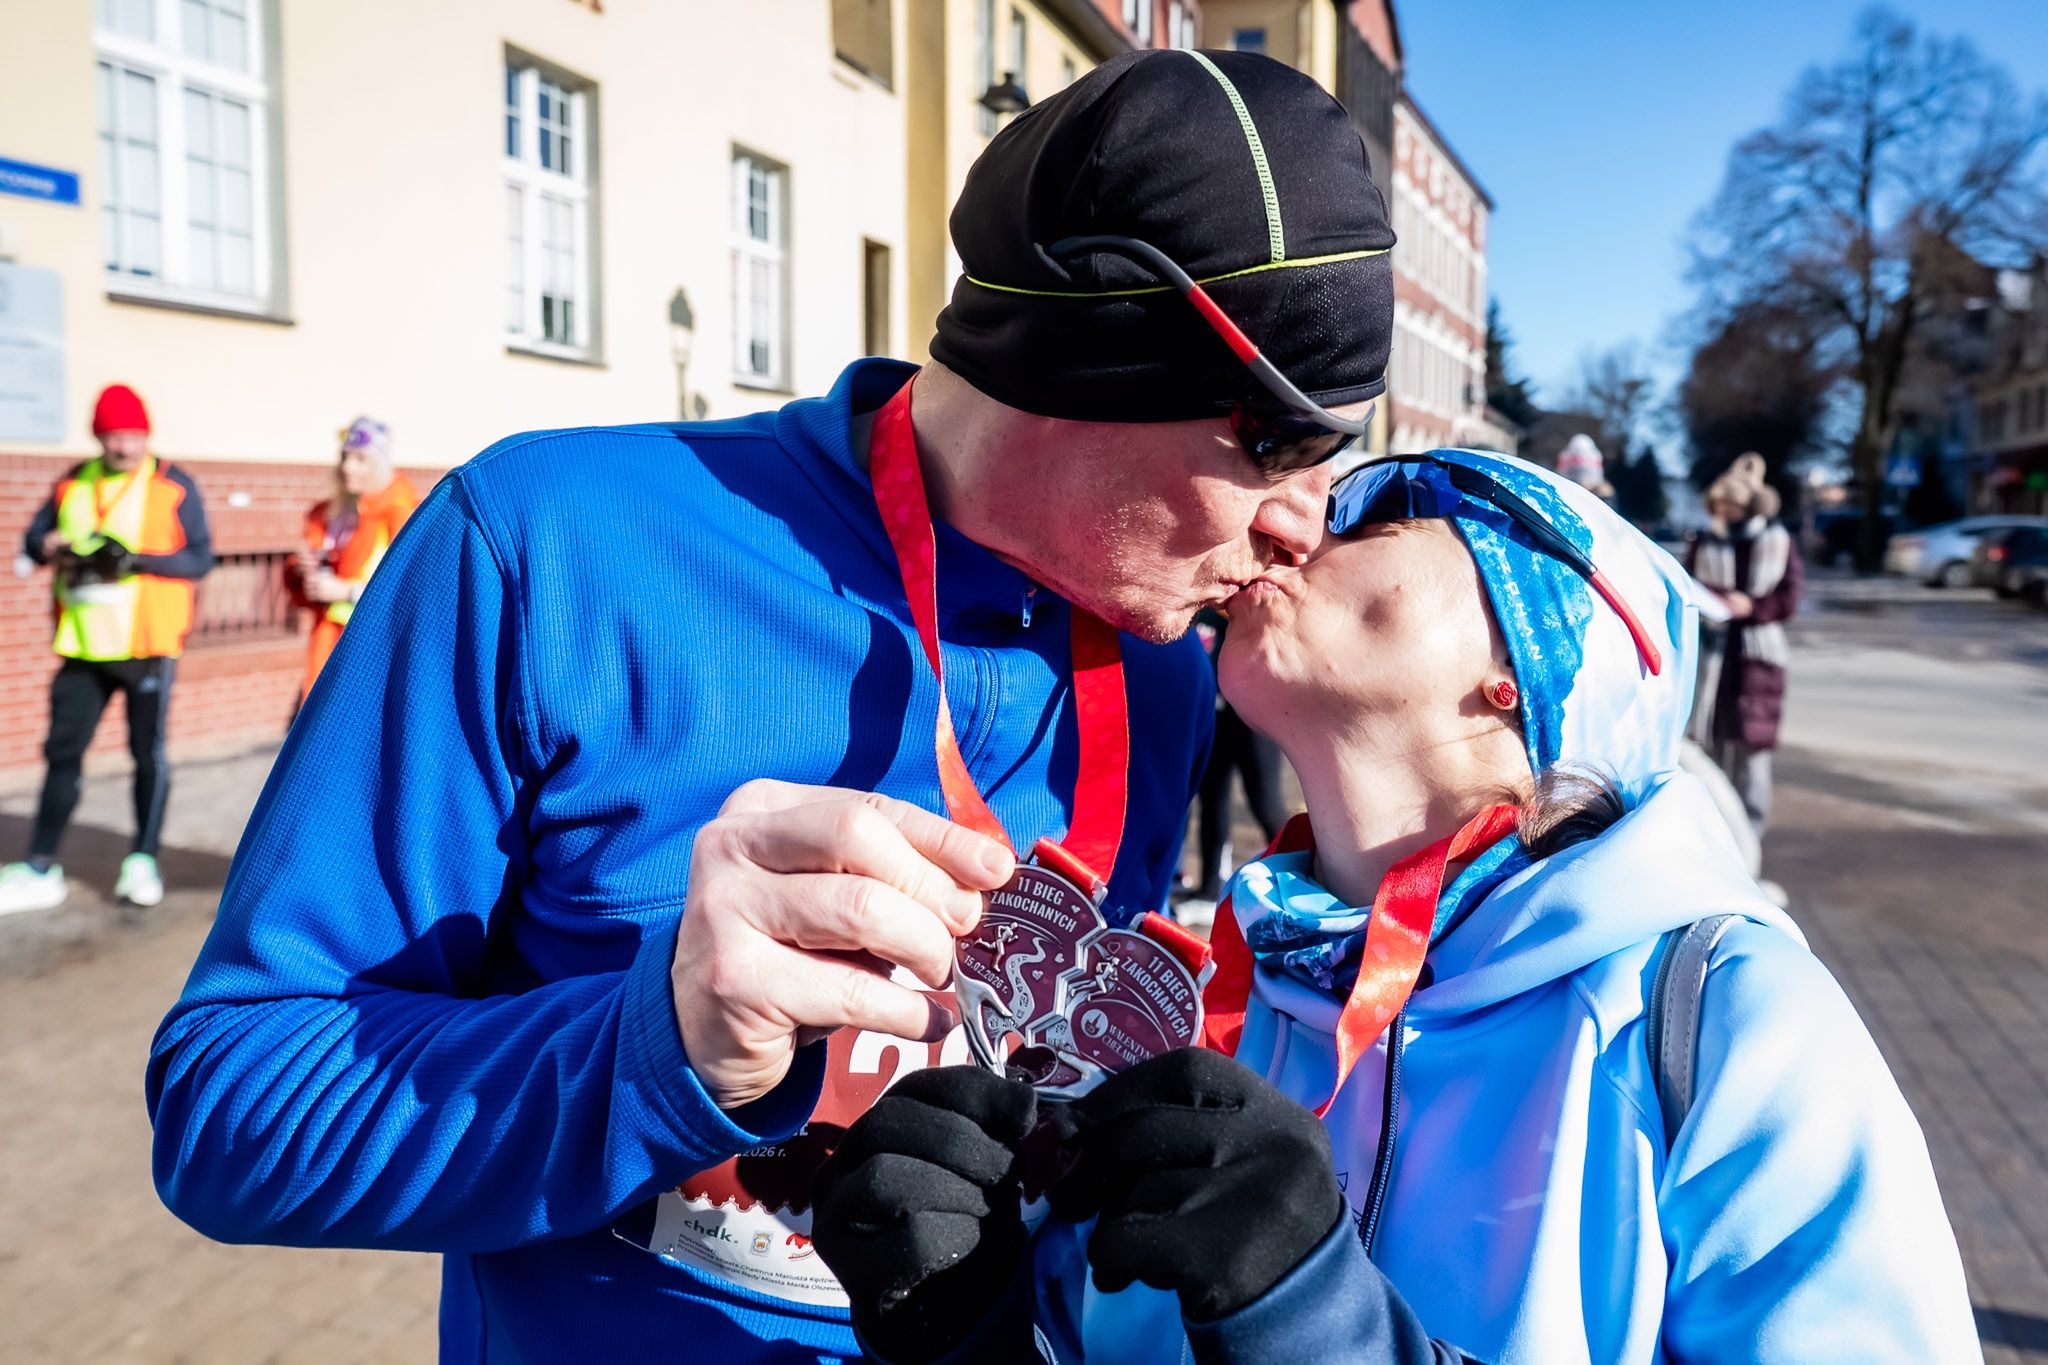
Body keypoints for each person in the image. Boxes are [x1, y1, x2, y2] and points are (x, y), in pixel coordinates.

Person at [145, 50, 1397, 1363]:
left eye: (1335, 452)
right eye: (1275, 442)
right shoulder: (548, 543)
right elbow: (228, 1111)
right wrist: (660, 1046)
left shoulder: (1161, 672)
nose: (1301, 525)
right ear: (1085, 364)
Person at [812, 449, 1977, 1363]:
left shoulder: (1720, 1016)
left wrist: (1327, 1334)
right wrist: (977, 1322)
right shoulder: (1220, 993)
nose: (1292, 525)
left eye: (1374, 521)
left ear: (1525, 659)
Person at [0, 384, 213, 917]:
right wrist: (46, 545)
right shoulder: (74, 480)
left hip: (146, 644)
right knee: (62, 753)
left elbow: (200, 559)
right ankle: (40, 866)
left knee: (147, 754)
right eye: (114, 436)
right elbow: (33, 542)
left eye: (133, 435)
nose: (124, 446)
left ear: (147, 434)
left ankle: (142, 860)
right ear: (98, 437)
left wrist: (135, 559)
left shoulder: (173, 484)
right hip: (82, 644)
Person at [1686, 451, 1800, 843]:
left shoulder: (1777, 542)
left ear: (1749, 505)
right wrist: (1713, 601)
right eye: (1719, 505)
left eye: (1731, 505)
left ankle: (1750, 839)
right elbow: (1687, 585)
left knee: (1752, 758)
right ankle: (1717, 835)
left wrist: (1751, 607)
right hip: (1711, 656)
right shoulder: (1704, 541)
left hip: (1756, 661)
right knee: (1712, 751)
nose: (1725, 512)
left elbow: (1789, 598)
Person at [287, 416, 419, 699]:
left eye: (361, 459)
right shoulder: (326, 513)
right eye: (345, 457)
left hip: (371, 652)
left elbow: (411, 591)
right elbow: (306, 582)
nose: (348, 467)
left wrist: (347, 591)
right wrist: (301, 570)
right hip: (327, 645)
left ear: (380, 464)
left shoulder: (400, 514)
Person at [1183, 606, 1289, 922]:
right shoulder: (1204, 608)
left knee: (1266, 802)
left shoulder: (1254, 603)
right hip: (1216, 711)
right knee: (1212, 799)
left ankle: (1297, 886)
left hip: (1253, 712)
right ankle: (1208, 891)